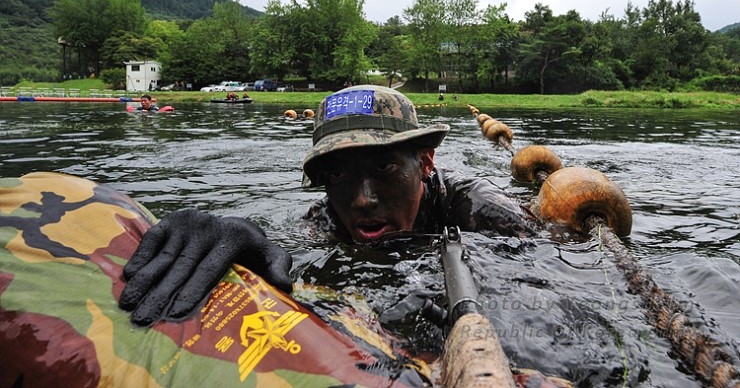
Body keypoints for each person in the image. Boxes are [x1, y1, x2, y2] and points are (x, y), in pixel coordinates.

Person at [119, 85, 536, 325]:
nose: (361, 200)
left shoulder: (480, 209)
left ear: (425, 161)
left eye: (385, 166)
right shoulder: (325, 218)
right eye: (337, 175)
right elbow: (278, 248)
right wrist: (227, 235)